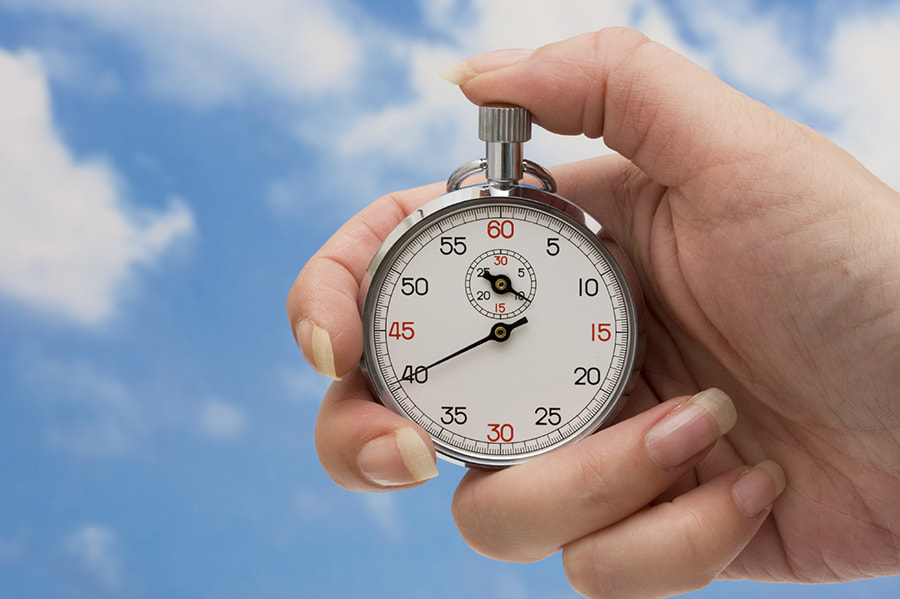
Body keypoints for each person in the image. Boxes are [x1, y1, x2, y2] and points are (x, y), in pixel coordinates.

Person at [287, 28, 900, 599]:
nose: (501, 324)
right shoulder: (516, 250)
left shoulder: (621, 257)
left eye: (508, 319)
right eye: (497, 319)